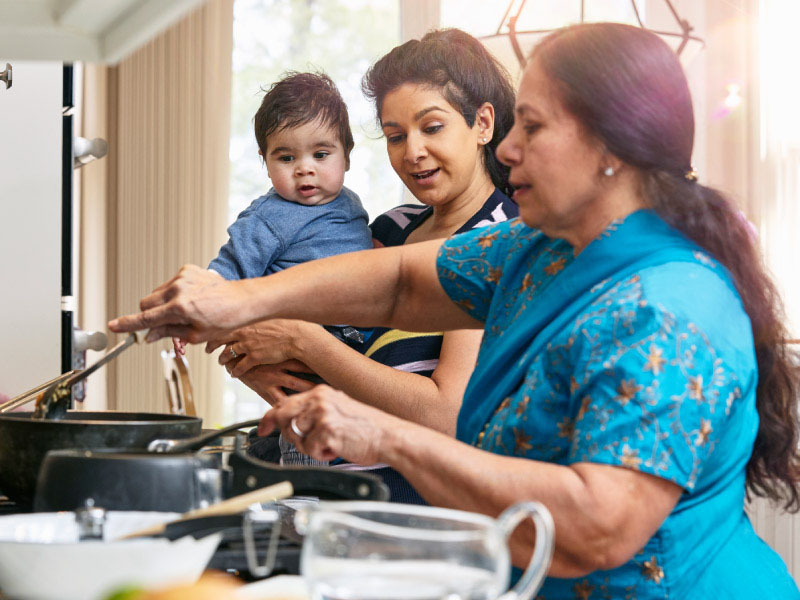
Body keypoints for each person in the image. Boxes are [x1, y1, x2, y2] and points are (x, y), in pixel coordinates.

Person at [111, 23, 800, 597]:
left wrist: (381, 434)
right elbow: (403, 283)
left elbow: (597, 525)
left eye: (531, 125)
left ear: (610, 147)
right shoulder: (544, 246)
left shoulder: (666, 307)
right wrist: (234, 299)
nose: (506, 147)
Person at [204, 29, 518, 491]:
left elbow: (444, 415)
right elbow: (323, 355)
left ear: (482, 124)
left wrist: (302, 341)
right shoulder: (390, 229)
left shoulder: (500, 243)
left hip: (414, 519)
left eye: (432, 127)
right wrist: (253, 361)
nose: (413, 152)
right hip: (326, 500)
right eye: (395, 136)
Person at [173, 71, 371, 357]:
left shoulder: (350, 203)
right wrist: (190, 313)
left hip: (359, 341)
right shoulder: (268, 217)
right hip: (303, 345)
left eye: (320, 155)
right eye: (286, 158)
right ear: (265, 163)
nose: (304, 168)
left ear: (347, 156)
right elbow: (228, 269)